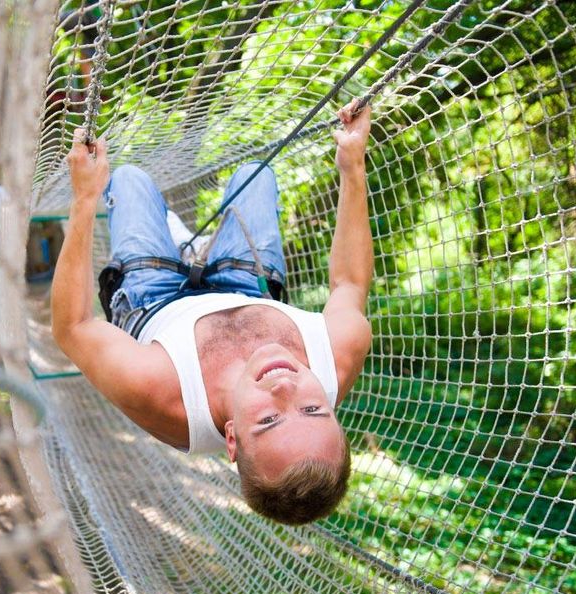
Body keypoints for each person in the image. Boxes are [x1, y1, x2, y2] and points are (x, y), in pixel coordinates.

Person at [51, 99, 373, 525]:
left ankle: (175, 240)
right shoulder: (339, 355)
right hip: (247, 287)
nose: (285, 388)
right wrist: (353, 167)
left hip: (155, 299)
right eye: (314, 410)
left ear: (233, 439)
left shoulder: (161, 394)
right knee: (254, 174)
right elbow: (349, 283)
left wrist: (85, 198)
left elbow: (73, 327)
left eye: (270, 419)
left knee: (129, 181)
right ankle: (193, 245)